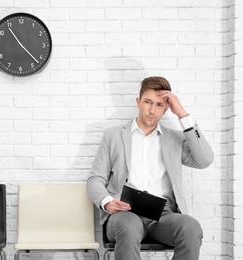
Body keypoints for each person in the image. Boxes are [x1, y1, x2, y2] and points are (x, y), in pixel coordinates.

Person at [86, 76, 214, 260]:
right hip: (125, 213)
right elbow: (95, 179)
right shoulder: (113, 136)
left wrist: (183, 115)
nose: (152, 110)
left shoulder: (175, 139)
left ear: (166, 108)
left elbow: (204, 160)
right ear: (138, 102)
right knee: (128, 228)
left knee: (191, 228)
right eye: (148, 102)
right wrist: (107, 201)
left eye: (159, 105)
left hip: (164, 216)